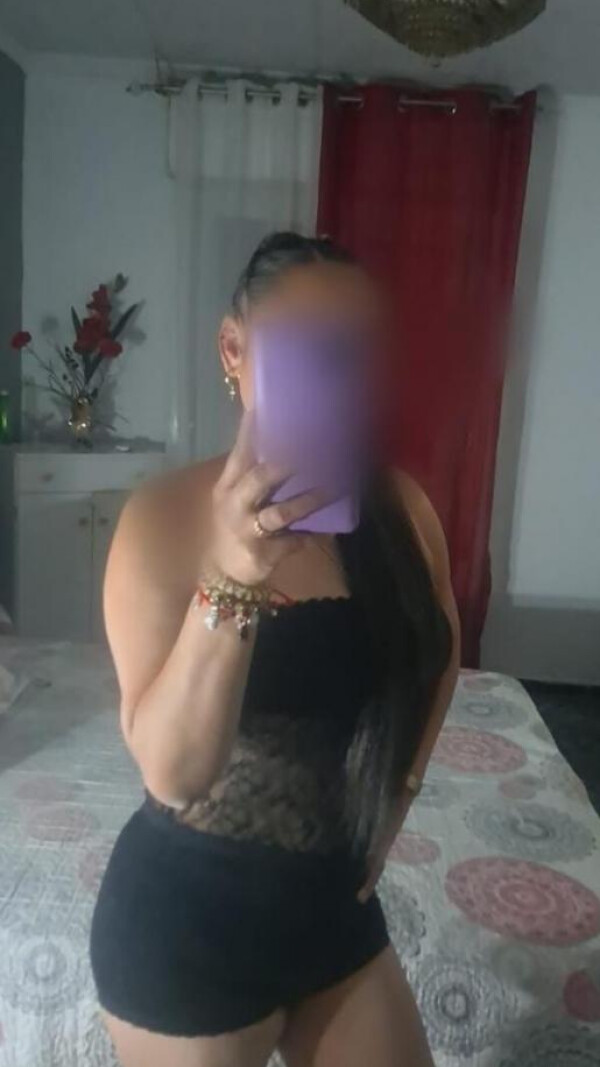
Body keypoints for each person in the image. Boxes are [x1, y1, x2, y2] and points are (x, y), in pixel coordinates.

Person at [90, 232, 460, 1067]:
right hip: (186, 924)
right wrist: (232, 575)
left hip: (335, 910)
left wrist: (401, 790)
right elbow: (174, 772)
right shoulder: (162, 517)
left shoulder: (402, 509)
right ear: (234, 348)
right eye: (303, 345)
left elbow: (439, 650)